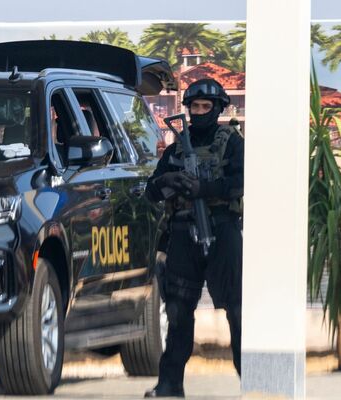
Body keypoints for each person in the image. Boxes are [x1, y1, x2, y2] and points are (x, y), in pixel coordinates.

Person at [144, 78, 244, 398]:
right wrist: (169, 181)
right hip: (184, 234)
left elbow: (242, 180)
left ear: (217, 109)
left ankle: (253, 382)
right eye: (195, 107)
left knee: (237, 311)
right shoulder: (175, 149)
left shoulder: (232, 142)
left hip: (223, 231)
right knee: (177, 310)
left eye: (206, 107)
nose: (200, 112)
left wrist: (207, 190)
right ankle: (169, 384)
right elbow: (151, 191)